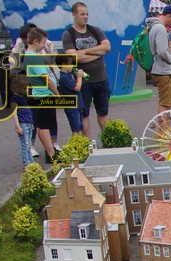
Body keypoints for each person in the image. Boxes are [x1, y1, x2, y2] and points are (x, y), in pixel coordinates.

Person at [61, 2, 110, 137]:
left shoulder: (95, 30)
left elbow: (107, 47)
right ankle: (87, 143)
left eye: (87, 14)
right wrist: (97, 54)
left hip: (101, 78)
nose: (86, 17)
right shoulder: (69, 34)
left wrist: (85, 51)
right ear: (74, 14)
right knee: (84, 114)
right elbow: (75, 57)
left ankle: (108, 140)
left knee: (103, 112)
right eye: (82, 14)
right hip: (84, 81)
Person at [24, 27, 59, 164]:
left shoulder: (30, 56)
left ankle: (50, 151)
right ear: (35, 41)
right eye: (43, 42)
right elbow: (46, 79)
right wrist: (57, 94)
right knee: (44, 126)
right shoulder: (34, 58)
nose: (44, 46)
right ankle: (51, 154)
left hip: (40, 94)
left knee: (41, 125)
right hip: (45, 94)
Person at [55, 55, 85, 137]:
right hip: (72, 106)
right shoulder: (64, 77)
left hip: (77, 105)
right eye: (71, 64)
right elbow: (77, 88)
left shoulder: (68, 75)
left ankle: (80, 142)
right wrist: (79, 77)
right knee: (76, 129)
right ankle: (75, 143)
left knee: (79, 126)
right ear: (64, 64)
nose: (72, 66)